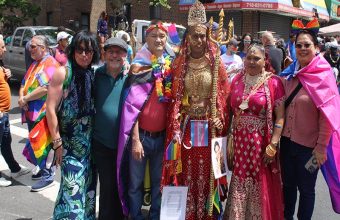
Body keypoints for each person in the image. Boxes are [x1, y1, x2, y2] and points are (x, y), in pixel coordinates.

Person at [161, 1, 229, 219]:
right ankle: (188, 213)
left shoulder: (215, 63)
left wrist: (220, 116)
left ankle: (209, 213)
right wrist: (176, 124)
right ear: (187, 37)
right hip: (188, 126)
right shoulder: (180, 64)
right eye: (195, 36)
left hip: (210, 126)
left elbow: (224, 94)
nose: (199, 40)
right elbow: (175, 99)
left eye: (203, 36)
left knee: (209, 170)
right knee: (187, 170)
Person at [279, 20, 338, 220]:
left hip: (312, 150)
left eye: (307, 45)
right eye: (299, 45)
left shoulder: (324, 75)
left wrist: (321, 148)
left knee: (307, 189)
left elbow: (328, 116)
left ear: (317, 48)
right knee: (287, 186)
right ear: (294, 48)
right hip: (286, 145)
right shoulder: (289, 74)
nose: (303, 48)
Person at [116, 20, 175, 219]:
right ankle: (135, 216)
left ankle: (156, 215)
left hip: (163, 138)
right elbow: (131, 110)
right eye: (154, 36)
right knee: (135, 183)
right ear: (146, 39)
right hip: (141, 137)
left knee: (160, 182)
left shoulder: (171, 66)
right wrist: (135, 140)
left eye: (162, 36)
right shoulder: (138, 67)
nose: (158, 40)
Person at [224, 43, 285, 219]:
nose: (251, 61)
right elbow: (230, 112)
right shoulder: (236, 80)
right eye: (249, 58)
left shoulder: (274, 82)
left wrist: (273, 144)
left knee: (260, 181)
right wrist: (228, 140)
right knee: (239, 178)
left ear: (264, 60)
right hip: (239, 143)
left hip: (261, 145)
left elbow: (280, 117)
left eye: (256, 58)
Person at [45, 30, 99, 219]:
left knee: (88, 194)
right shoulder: (63, 73)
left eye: (89, 51)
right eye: (80, 50)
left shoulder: (91, 74)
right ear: (73, 50)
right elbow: (50, 109)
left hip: (90, 149)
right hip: (69, 147)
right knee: (71, 192)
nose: (84, 55)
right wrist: (57, 142)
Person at [92, 37, 129, 220]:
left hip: (125, 144)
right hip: (103, 143)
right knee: (107, 188)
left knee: (122, 185)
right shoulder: (95, 76)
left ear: (125, 55)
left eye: (119, 52)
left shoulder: (131, 78)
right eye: (111, 52)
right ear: (105, 55)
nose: (115, 55)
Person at [18, 35, 60, 191]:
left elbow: (45, 88)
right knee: (37, 144)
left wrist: (25, 99)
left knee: (46, 145)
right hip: (30, 112)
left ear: (44, 47)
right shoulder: (35, 64)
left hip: (42, 113)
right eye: (30, 46)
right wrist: (22, 98)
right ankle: (42, 169)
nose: (30, 49)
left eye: (33, 46)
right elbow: (23, 83)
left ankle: (48, 175)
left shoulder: (50, 64)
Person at [0, 38, 30, 187]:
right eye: (3, 47)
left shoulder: (0, 63)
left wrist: (7, 73)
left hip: (4, 113)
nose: (5, 49)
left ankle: (14, 169)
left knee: (5, 142)